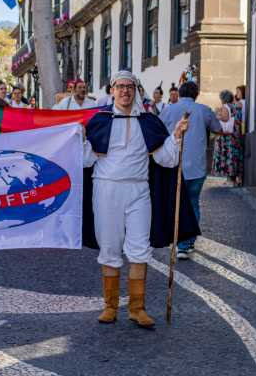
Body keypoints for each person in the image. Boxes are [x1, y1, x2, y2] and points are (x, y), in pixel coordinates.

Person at [82, 70, 190, 328]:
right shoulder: (99, 120)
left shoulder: (148, 121)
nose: (125, 91)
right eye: (120, 86)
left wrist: (176, 136)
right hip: (106, 189)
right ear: (112, 91)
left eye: (130, 87)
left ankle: (137, 308)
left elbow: (166, 159)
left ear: (136, 91)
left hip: (139, 191)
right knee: (110, 248)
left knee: (140, 248)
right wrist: (81, 139)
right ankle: (110, 306)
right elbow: (86, 160)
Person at [160, 81, 223, 259]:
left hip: (173, 164)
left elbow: (159, 130)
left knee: (176, 203)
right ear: (196, 94)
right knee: (193, 202)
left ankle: (177, 240)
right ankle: (186, 243)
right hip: (196, 166)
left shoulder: (168, 110)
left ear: (179, 93)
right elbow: (218, 129)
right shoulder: (204, 110)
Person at [212, 90, 243, 187]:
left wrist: (217, 116)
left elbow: (225, 119)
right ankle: (233, 179)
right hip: (235, 135)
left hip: (227, 137)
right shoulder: (235, 107)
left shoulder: (225, 107)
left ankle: (230, 180)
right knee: (233, 157)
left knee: (227, 157)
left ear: (223, 99)